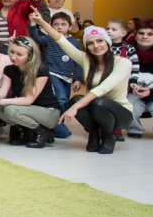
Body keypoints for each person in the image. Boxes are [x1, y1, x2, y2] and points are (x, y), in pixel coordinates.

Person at [30, 14, 133, 154]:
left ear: (107, 42)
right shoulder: (86, 59)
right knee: (76, 99)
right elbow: (61, 41)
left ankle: (109, 137)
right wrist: (41, 22)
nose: (96, 46)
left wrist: (75, 108)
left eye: (100, 41)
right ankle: (93, 134)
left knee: (96, 102)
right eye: (90, 43)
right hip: (96, 108)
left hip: (120, 114)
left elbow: (102, 89)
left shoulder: (123, 63)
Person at [0, 35, 60, 148]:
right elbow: (4, 92)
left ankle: (42, 131)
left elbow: (28, 100)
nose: (13, 56)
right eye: (12, 52)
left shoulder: (41, 70)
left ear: (30, 56)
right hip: (26, 110)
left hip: (48, 112)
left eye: (19, 54)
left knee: (10, 110)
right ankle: (24, 129)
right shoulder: (9, 69)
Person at [29, 12, 84, 138]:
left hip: (67, 76)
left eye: (63, 24)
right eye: (56, 24)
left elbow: (78, 62)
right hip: (52, 73)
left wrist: (78, 79)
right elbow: (36, 38)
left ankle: (58, 123)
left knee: (65, 100)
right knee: (61, 98)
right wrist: (32, 24)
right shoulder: (49, 39)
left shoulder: (74, 42)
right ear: (50, 26)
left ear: (70, 27)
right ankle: (57, 123)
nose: (59, 27)